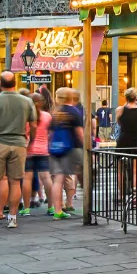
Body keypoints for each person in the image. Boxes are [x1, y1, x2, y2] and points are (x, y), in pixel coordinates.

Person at [0, 71, 38, 231]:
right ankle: (12, 217)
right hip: (18, 143)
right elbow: (33, 124)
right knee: (15, 181)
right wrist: (31, 140)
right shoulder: (26, 101)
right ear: (15, 84)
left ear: (0, 84)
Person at [48, 87, 84, 219]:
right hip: (70, 148)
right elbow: (79, 133)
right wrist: (86, 146)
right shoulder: (74, 112)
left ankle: (57, 210)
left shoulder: (55, 112)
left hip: (55, 149)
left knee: (58, 180)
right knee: (75, 175)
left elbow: (50, 134)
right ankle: (72, 202)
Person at [21, 92, 53, 216]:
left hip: (28, 150)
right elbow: (50, 133)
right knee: (46, 177)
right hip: (43, 150)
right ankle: (51, 207)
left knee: (27, 178)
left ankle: (26, 207)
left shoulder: (24, 116)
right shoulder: (47, 116)